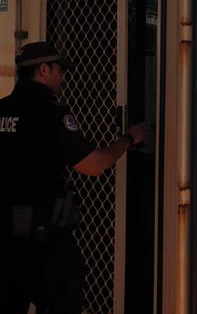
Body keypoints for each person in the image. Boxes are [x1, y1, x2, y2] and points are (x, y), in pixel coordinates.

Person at [0, 42, 149, 314]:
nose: (63, 77)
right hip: (43, 241)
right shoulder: (51, 114)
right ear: (43, 70)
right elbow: (94, 165)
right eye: (59, 70)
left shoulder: (1, 109)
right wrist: (129, 138)